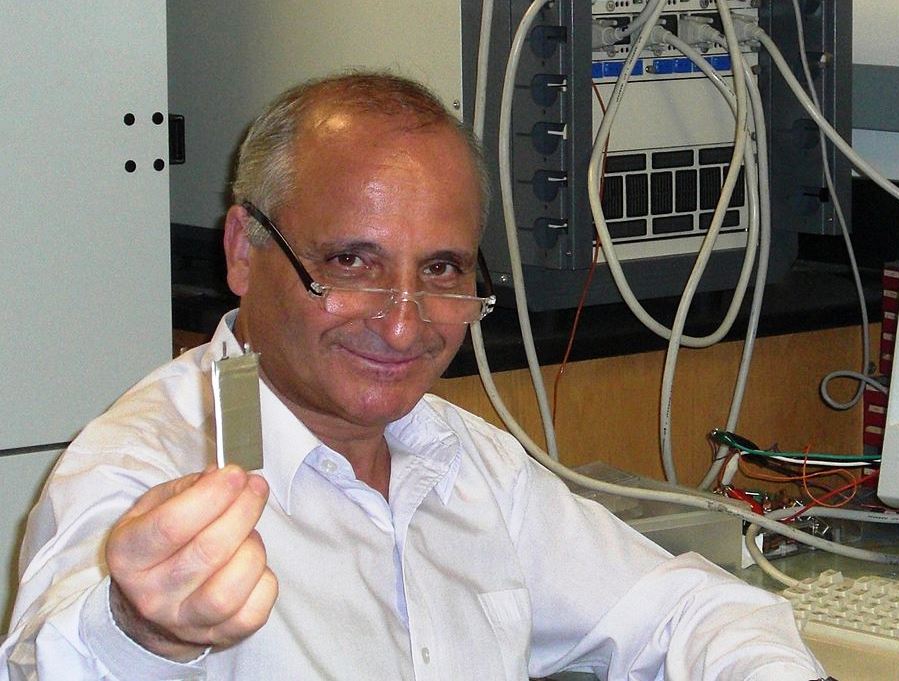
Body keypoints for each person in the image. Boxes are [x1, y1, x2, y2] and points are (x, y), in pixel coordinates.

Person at [1, 72, 828, 680]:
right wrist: (141, 632)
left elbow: (683, 609)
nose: (403, 325)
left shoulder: (463, 460)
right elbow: (55, 659)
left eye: (440, 270)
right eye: (351, 262)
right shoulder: (142, 468)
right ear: (243, 251)